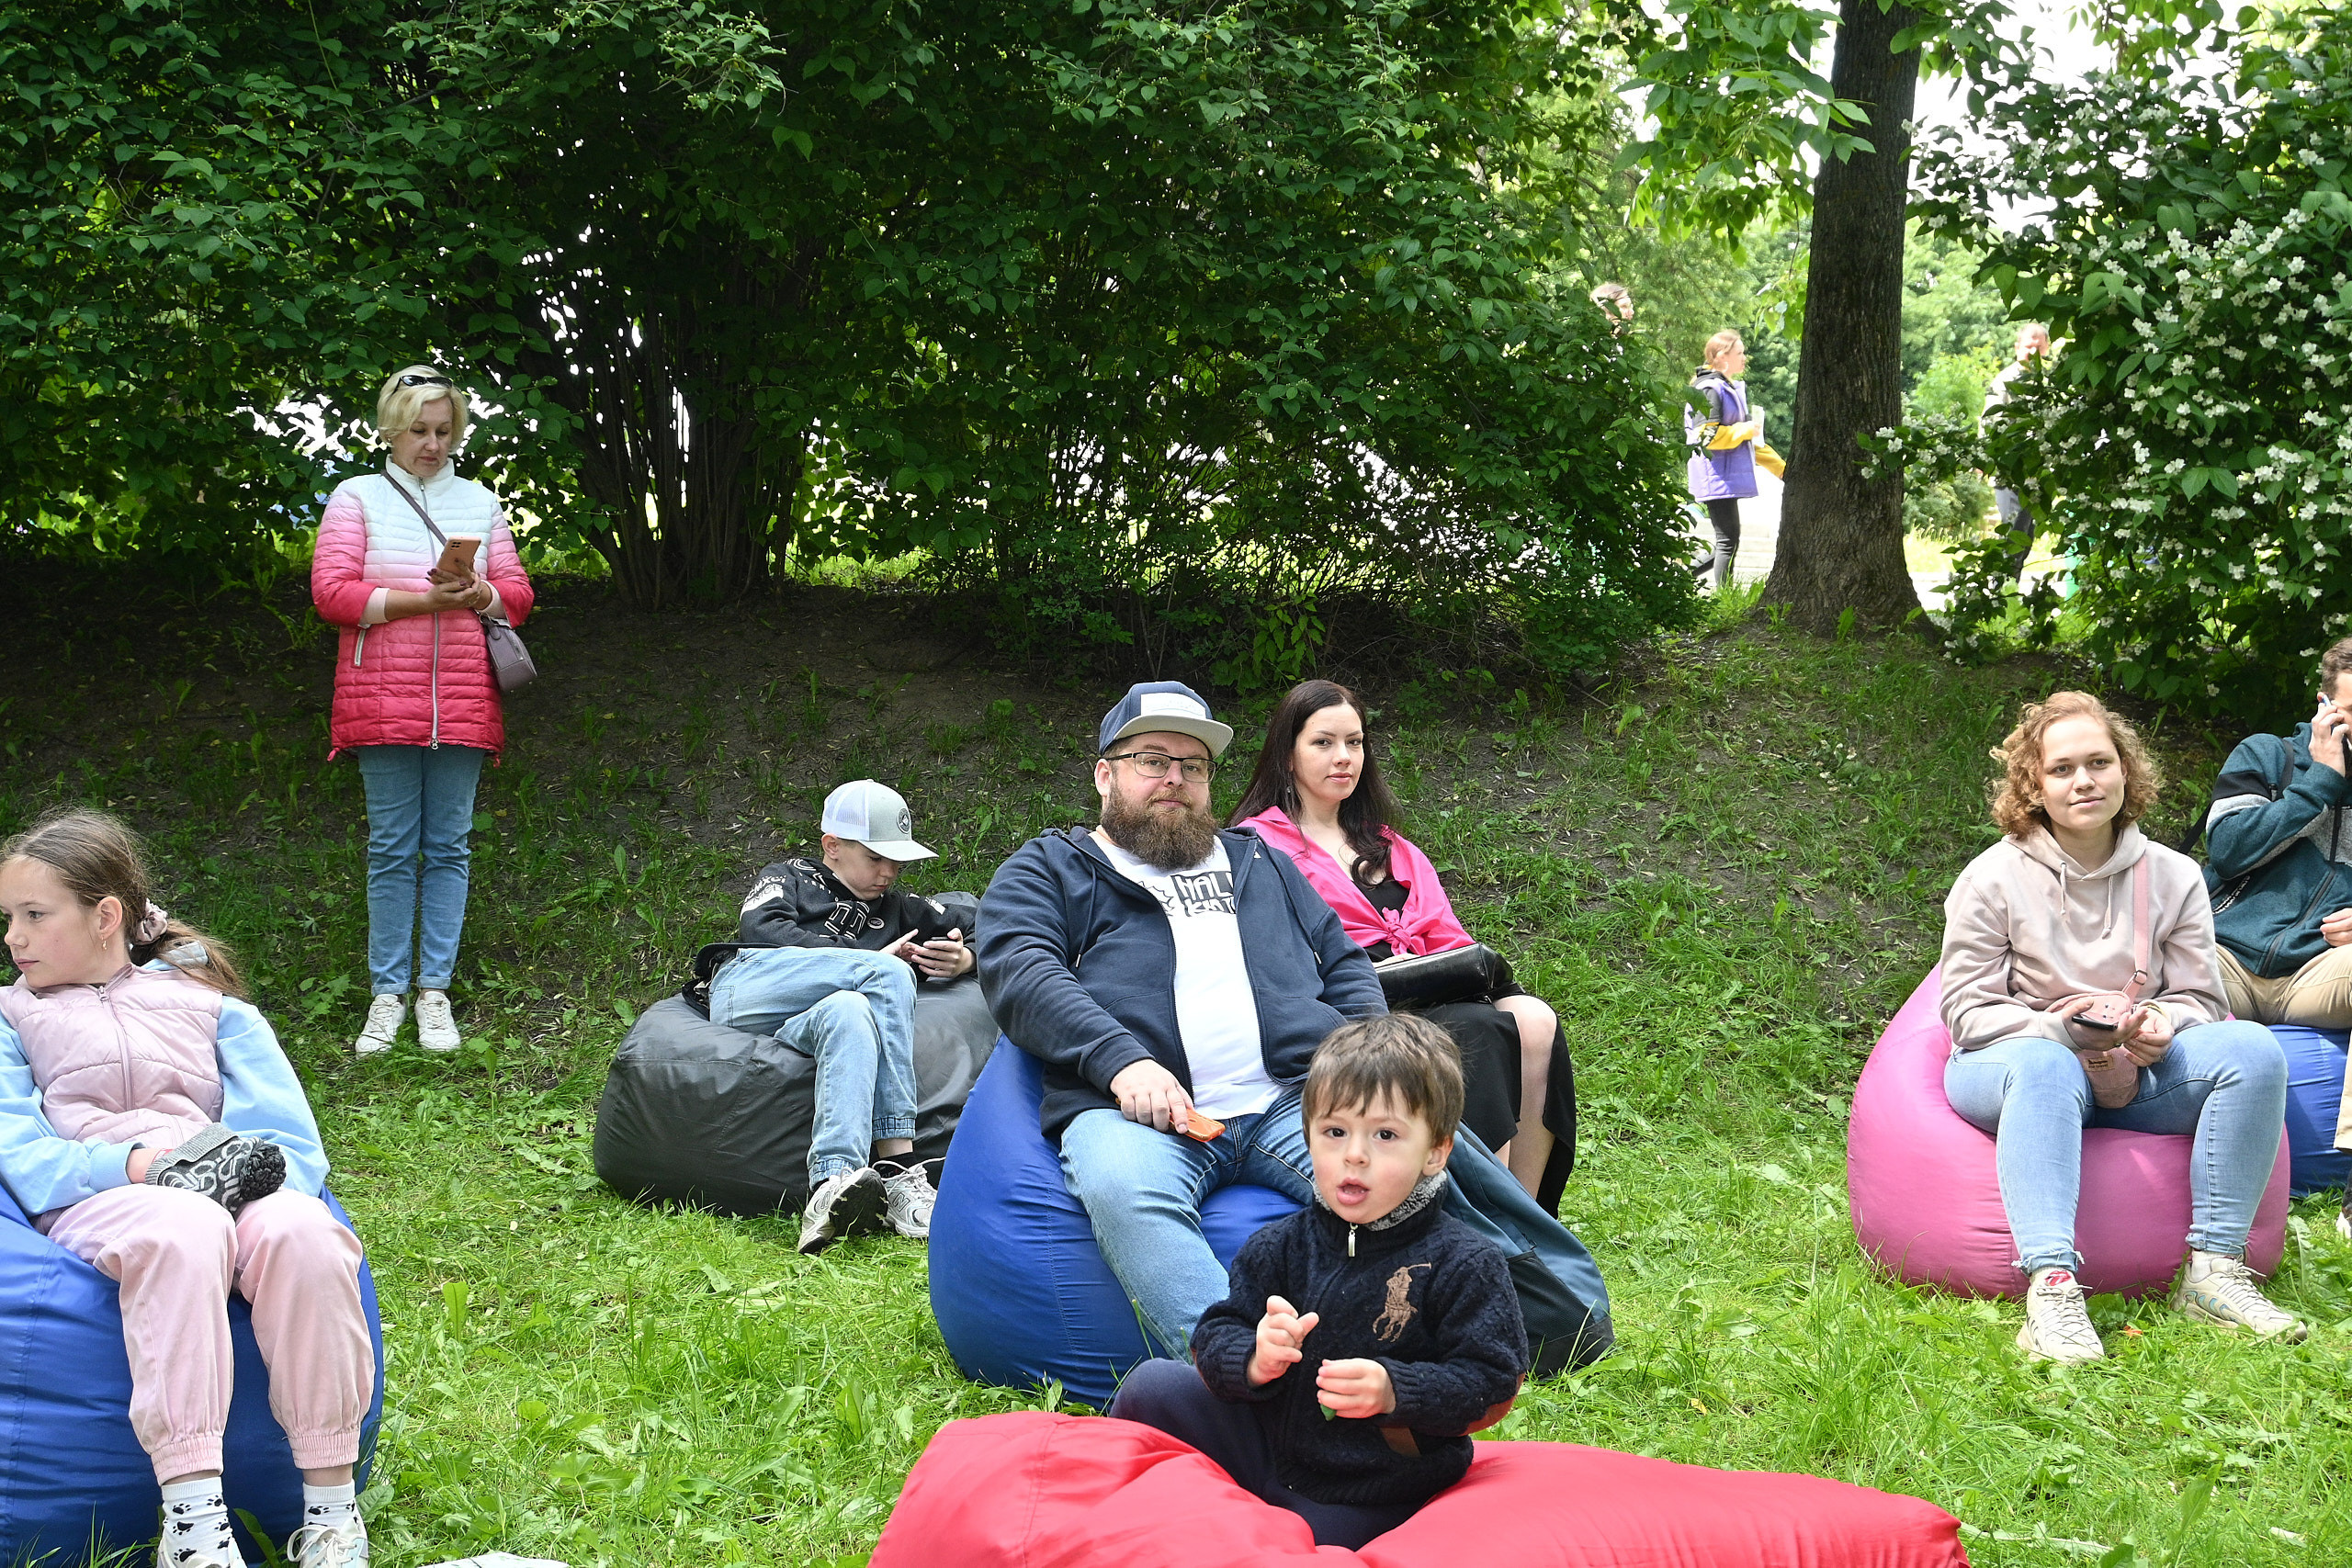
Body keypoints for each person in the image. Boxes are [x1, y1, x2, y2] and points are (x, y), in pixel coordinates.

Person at [0, 811, 373, 1568]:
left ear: (106, 916)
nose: (14, 938)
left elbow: (293, 1144)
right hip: (105, 1200)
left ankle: (332, 1516)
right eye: (8, 919)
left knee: (305, 1231)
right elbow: (20, 1154)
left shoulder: (212, 1007)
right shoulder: (12, 1017)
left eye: (34, 916)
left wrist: (241, 1184)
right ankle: (194, 1524)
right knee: (182, 1228)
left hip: (219, 1184)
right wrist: (137, 1166)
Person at [978, 681, 1388, 1356]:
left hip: (1294, 1098)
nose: (1175, 778)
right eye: (1152, 760)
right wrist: (1122, 1060)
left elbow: (1342, 961)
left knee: (1404, 1174)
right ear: (1105, 773)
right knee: (1122, 1186)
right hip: (1140, 1111)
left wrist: (1366, 1055)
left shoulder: (1260, 861)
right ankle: (1239, 1369)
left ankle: (1429, 1337)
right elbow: (1021, 972)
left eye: (1192, 765)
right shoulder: (1051, 866)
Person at [1940, 692, 2301, 1364]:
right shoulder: (1990, 877)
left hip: (2133, 1072)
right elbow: (1965, 1010)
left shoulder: (2174, 874)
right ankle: (2051, 1288)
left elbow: (2200, 993)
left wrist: (2162, 1021)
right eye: (2062, 768)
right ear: (2033, 785)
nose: (2083, 781)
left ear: (2126, 772)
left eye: (2099, 762)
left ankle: (2215, 1275)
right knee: (2045, 1067)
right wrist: (2062, 1031)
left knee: (2252, 1047)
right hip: (2018, 1067)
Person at [1107, 1014, 1526, 1551]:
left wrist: (1396, 1390)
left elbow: (1491, 1382)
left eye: (1386, 1134)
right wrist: (1253, 1359)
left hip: (1366, 1484)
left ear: (1435, 1153)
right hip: (1264, 1444)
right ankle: (1116, 1511)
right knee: (1152, 1385)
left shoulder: (1463, 1262)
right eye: (1335, 1132)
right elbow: (1217, 1332)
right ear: (1308, 1138)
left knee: (1300, 1549)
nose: (1354, 1153)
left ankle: (1259, 1533)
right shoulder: (1279, 1244)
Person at [1230, 680, 1573, 1210]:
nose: (1344, 757)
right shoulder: (1257, 846)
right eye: (1324, 743)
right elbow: (1278, 955)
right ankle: (1485, 1220)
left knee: (1533, 1018)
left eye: (1356, 742)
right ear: (1287, 753)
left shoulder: (1389, 844)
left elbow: (1450, 939)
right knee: (1482, 1028)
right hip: (1350, 1001)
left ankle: (1528, 1216)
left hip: (1431, 984)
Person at [311, 365, 535, 1056]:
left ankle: (432, 993)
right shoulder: (356, 498)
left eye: (444, 430)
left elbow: (519, 598)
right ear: (391, 428)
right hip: (380, 696)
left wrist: (478, 592)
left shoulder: (479, 501)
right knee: (390, 850)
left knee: (448, 849)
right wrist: (421, 601)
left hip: (465, 698)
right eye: (418, 430)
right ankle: (387, 995)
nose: (432, 444)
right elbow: (333, 594)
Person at [697, 780, 968, 1254]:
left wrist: (968, 961)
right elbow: (760, 928)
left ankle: (831, 1185)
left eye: (897, 861)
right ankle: (901, 1167)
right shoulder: (790, 876)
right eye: (875, 858)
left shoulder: (901, 909)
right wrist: (865, 961)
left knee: (850, 1011)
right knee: (885, 975)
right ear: (833, 846)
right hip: (750, 988)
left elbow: (983, 918)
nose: (889, 872)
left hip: (807, 1020)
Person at [2197, 637, 2352, 1234]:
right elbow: (2229, 848)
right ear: (2323, 707)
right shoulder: (2268, 755)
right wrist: (2319, 784)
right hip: (2226, 955)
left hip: (2318, 972)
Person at [1685, 330, 1760, 592]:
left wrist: (1782, 469)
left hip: (1724, 476)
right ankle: (1726, 598)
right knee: (1728, 540)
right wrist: (1745, 430)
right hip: (1714, 474)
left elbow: (1748, 439)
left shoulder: (1727, 386)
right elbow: (1706, 436)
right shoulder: (1709, 388)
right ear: (1721, 357)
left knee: (1728, 540)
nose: (1744, 358)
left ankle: (1676, 580)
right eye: (1739, 353)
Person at [1983, 323, 2052, 580]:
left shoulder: (2051, 381)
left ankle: (2009, 585)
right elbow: (1989, 423)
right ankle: (2000, 587)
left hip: (2039, 472)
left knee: (2026, 532)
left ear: (2046, 348)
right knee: (2014, 528)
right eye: (2028, 347)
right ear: (2017, 349)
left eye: (2039, 347)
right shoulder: (2004, 381)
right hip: (2009, 470)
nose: (2033, 352)